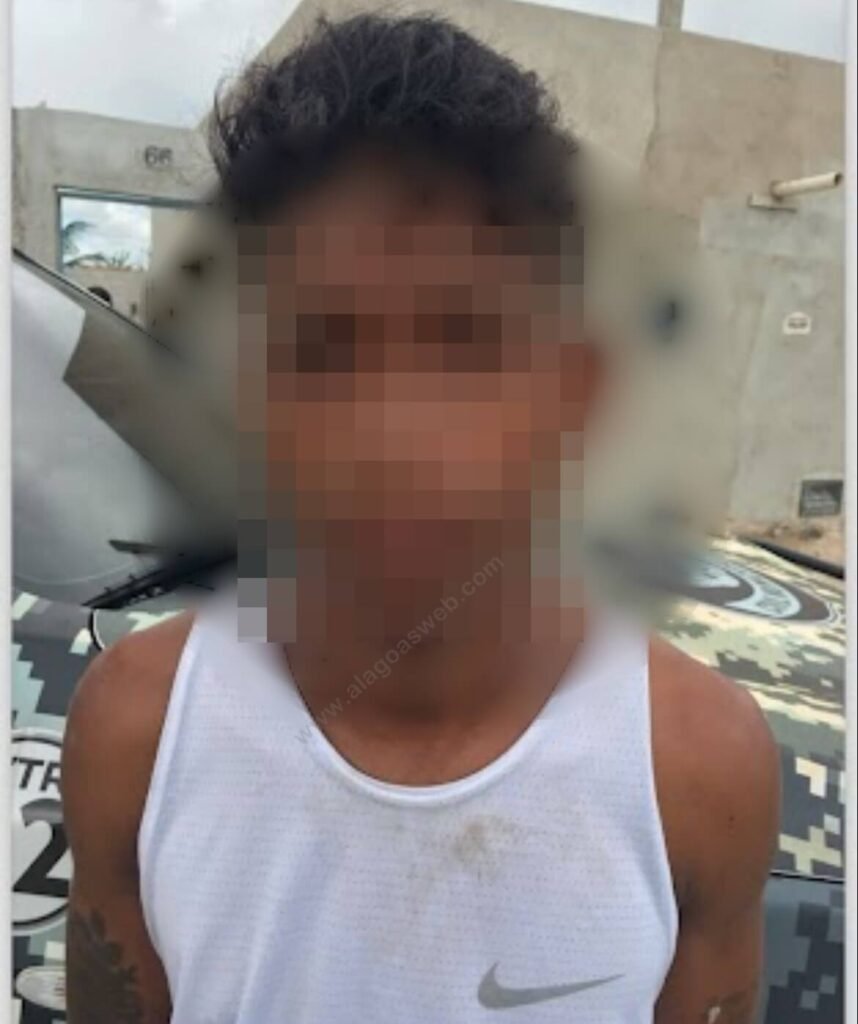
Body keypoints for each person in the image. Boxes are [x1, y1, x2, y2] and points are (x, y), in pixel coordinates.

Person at [62, 13, 780, 1024]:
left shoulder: (697, 767)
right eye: (320, 349)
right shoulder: (138, 730)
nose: (393, 433)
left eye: (469, 343)